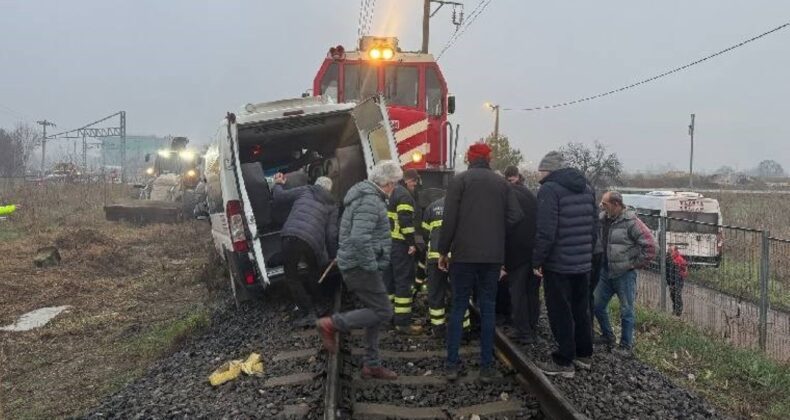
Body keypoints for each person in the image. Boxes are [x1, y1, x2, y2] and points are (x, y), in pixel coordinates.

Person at [438, 143, 523, 383]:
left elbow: (449, 219)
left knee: (458, 307)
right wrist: (496, 231)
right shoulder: (502, 184)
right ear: (489, 158)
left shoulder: (460, 181)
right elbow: (516, 216)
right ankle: (486, 367)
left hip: (463, 255)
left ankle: (452, 365)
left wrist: (443, 251)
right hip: (492, 257)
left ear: (468, 158)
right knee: (487, 309)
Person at [315, 160, 402, 380]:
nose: (395, 188)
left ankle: (371, 364)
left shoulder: (364, 197)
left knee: (373, 313)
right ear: (387, 183)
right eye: (394, 183)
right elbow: (359, 239)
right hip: (360, 267)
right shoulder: (370, 201)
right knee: (383, 311)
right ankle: (332, 324)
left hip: (357, 265)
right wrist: (372, 266)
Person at [532, 151, 597, 378]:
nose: (539, 175)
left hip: (559, 264)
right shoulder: (587, 189)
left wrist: (537, 260)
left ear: (549, 170)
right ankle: (584, 355)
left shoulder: (549, 190)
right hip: (582, 263)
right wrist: (586, 255)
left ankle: (564, 361)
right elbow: (593, 229)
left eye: (541, 171)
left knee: (560, 311)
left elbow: (546, 231)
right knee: (581, 309)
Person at [593, 190, 656, 356]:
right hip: (606, 272)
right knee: (596, 306)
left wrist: (634, 264)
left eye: (605, 204)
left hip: (624, 274)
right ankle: (608, 336)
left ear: (616, 205)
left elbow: (650, 246)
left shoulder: (632, 222)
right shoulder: (602, 219)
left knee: (626, 310)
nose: (601, 206)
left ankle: (626, 345)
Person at [273, 174, 339, 328]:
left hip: (291, 235)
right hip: (313, 242)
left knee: (292, 276)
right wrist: (333, 255)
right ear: (329, 190)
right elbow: (331, 234)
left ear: (316, 184)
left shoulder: (306, 190)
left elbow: (280, 197)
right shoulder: (332, 205)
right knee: (314, 271)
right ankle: (320, 304)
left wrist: (277, 184)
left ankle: (308, 312)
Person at [421, 196, 471, 338]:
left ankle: (438, 329)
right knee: (460, 292)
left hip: (435, 258)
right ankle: (464, 328)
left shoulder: (432, 207)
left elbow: (425, 233)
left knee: (436, 293)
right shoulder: (462, 206)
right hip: (457, 258)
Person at [502, 165, 540, 344]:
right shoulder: (529, 194)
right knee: (531, 292)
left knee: (517, 292)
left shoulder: (508, 196)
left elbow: (509, 223)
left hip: (517, 252)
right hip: (535, 251)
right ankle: (532, 326)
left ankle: (523, 331)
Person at [384, 169, 422, 335]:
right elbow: (405, 221)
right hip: (400, 245)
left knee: (389, 282)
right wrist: (411, 243)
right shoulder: (405, 195)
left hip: (388, 244)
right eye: (414, 182)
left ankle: (387, 318)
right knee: (403, 283)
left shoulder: (393, 193)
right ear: (408, 180)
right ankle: (403, 322)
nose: (415, 185)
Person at [666, 245, 688, 316]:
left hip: (678, 281)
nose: (669, 252)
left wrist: (681, 274)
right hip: (671, 281)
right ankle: (675, 310)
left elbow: (685, 271)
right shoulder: (669, 259)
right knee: (672, 295)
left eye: (671, 251)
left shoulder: (679, 259)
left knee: (677, 295)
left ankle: (678, 312)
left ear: (675, 251)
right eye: (668, 251)